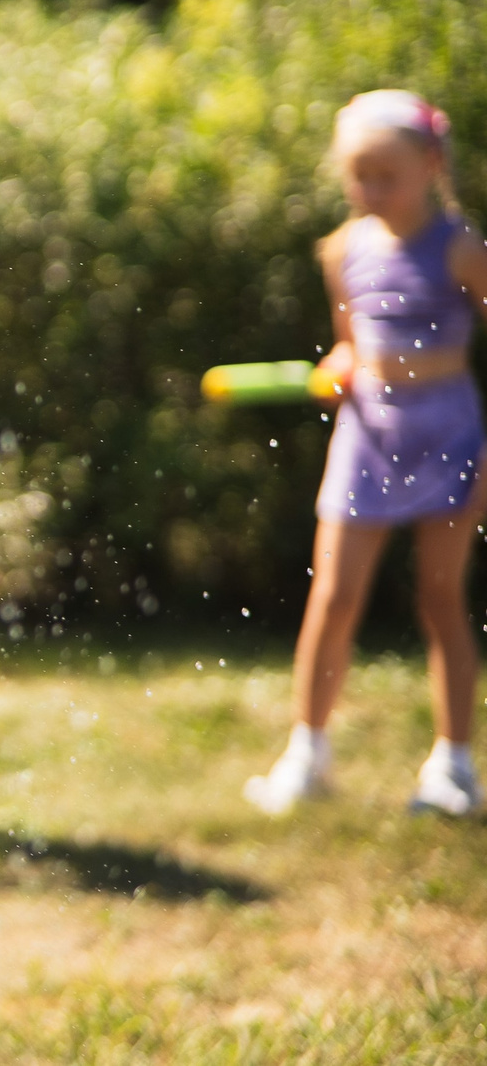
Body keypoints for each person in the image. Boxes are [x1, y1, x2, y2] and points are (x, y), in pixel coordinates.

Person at [244, 90, 486, 818]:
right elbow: (351, 339)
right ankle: (307, 752)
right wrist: (341, 364)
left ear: (431, 164)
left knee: (440, 597)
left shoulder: (461, 247)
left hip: (448, 429)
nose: (370, 188)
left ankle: (454, 766)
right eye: (358, 174)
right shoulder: (343, 249)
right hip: (369, 432)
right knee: (334, 594)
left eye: (386, 173)